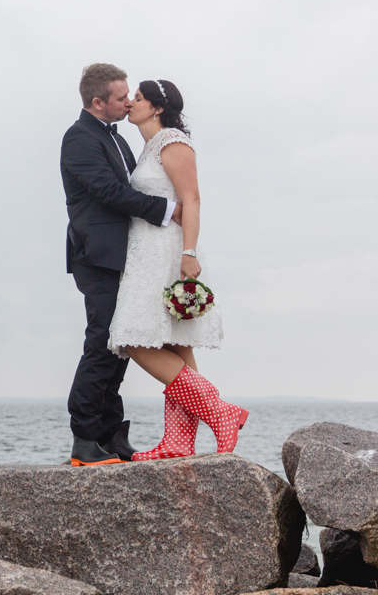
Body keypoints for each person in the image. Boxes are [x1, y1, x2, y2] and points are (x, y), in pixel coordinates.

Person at [109, 79, 246, 459]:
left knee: (132, 337)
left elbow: (192, 198)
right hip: (145, 251)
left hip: (166, 252)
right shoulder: (150, 146)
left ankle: (220, 413)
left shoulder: (173, 141)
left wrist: (188, 251)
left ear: (156, 107)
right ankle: (179, 442)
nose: (130, 102)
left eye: (137, 97)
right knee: (174, 343)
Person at [60, 64, 181, 466]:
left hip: (123, 256)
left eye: (131, 95)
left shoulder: (116, 139)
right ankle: (84, 438)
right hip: (97, 256)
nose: (129, 101)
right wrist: (165, 209)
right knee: (101, 343)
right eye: (120, 97)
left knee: (118, 345)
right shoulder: (79, 139)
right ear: (98, 102)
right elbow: (110, 192)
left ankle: (111, 434)